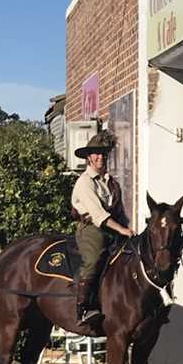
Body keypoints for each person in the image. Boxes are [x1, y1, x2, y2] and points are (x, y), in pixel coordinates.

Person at [70, 131, 135, 324]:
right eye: (96, 153)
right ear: (88, 157)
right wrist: (121, 230)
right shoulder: (84, 183)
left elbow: (120, 212)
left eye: (104, 153)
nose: (101, 157)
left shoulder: (111, 183)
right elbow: (99, 216)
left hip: (113, 228)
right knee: (94, 259)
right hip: (92, 229)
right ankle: (84, 308)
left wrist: (128, 230)